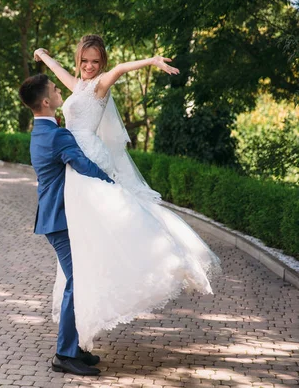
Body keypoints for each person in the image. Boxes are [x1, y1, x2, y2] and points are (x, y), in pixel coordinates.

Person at [33, 35, 221, 352]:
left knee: (117, 215)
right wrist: (42, 54)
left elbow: (121, 67)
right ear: (79, 60)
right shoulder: (77, 85)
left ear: (101, 62)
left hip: (87, 156)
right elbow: (60, 70)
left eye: (95, 61)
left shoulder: (100, 85)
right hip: (73, 158)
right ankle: (79, 328)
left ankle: (152, 261)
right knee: (86, 231)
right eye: (85, 61)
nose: (90, 66)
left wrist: (151, 61)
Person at [19, 74, 114, 376]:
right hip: (60, 220)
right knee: (77, 282)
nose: (60, 91)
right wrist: (112, 183)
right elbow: (82, 165)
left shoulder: (41, 131)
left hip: (56, 217)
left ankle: (76, 349)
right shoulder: (57, 135)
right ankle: (64, 354)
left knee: (79, 281)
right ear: (46, 101)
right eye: (55, 89)